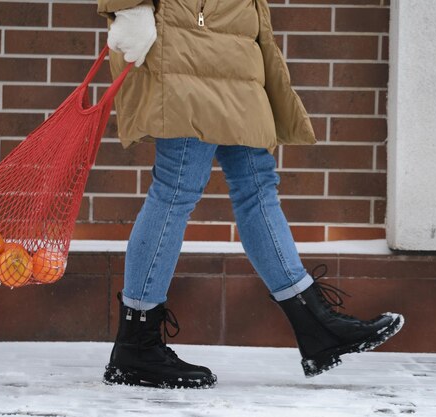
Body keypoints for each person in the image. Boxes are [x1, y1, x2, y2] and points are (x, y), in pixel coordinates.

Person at [96, 0, 404, 389]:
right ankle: (136, 343)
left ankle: (316, 325)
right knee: (177, 187)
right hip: (190, 38)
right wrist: (130, 8)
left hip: (237, 42)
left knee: (257, 186)